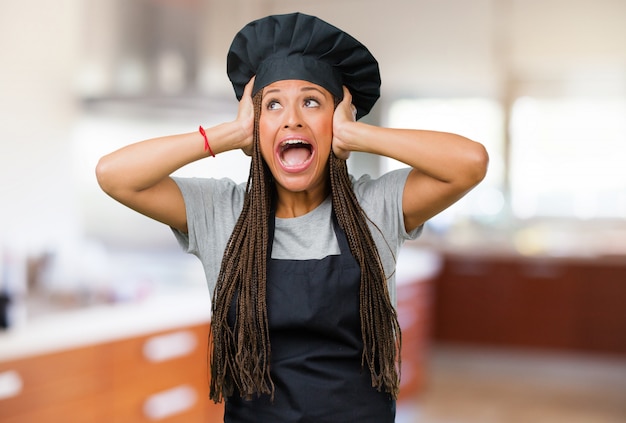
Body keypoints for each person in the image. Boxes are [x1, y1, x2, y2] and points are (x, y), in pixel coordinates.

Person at [96, 12, 488, 423]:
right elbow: (113, 175)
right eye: (274, 104)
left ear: (336, 120)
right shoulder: (222, 213)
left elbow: (470, 162)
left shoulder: (376, 208)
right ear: (256, 126)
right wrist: (228, 135)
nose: (293, 118)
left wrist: (358, 135)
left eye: (312, 102)